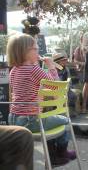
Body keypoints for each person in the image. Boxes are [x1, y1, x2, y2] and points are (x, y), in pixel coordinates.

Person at [6, 34, 76, 167]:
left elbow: (29, 89)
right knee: (66, 121)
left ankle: (55, 155)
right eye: (36, 48)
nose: (38, 51)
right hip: (31, 121)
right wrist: (51, 67)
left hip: (13, 118)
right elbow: (57, 87)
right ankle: (59, 155)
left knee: (49, 120)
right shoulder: (34, 70)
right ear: (25, 51)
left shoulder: (14, 70)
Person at [52, 52, 80, 116]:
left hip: (65, 88)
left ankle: (70, 111)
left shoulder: (66, 69)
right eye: (63, 60)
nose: (65, 61)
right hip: (55, 88)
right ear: (58, 62)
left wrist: (67, 87)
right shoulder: (53, 70)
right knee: (60, 96)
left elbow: (69, 80)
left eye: (65, 60)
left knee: (72, 95)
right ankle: (58, 111)